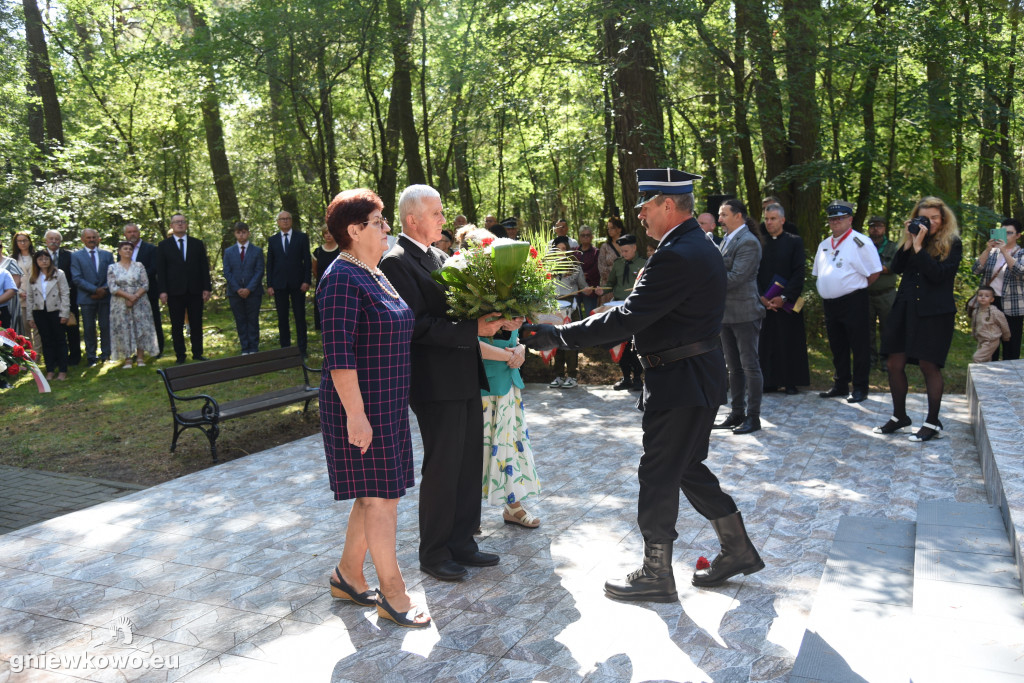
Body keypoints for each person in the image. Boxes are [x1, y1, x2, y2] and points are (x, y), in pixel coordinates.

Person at [522, 168, 763, 603]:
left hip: (681, 381)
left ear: (668, 206)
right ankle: (737, 548)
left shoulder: (678, 253)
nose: (640, 216)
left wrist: (560, 335)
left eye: (645, 207)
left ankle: (657, 573)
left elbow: (629, 317)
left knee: (658, 472)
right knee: (686, 465)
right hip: (694, 375)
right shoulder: (696, 244)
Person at [379, 184, 511, 582]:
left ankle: (462, 543)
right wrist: (473, 327)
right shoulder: (396, 262)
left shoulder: (439, 255)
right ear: (411, 219)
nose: (443, 219)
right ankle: (434, 552)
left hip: (464, 374)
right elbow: (414, 326)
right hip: (434, 381)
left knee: (469, 462)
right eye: (435, 213)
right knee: (443, 465)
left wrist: (502, 318)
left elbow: (463, 311)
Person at [319, 188, 428, 628]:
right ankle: (394, 594)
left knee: (374, 497)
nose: (387, 228)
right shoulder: (341, 278)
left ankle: (347, 575)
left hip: (387, 405)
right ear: (354, 230)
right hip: (360, 409)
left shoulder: (374, 272)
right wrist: (357, 416)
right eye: (379, 222)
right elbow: (339, 357)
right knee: (382, 501)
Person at [874, 196, 962, 442]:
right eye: (925, 218)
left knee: (928, 365)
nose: (930, 222)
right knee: (894, 363)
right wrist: (909, 239)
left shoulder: (952, 243)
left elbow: (937, 275)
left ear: (943, 220)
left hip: (935, 313)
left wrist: (920, 247)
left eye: (935, 218)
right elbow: (898, 267)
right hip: (905, 309)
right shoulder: (913, 239)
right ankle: (899, 416)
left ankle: (932, 422)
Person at [813, 200, 882, 403]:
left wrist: (853, 287)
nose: (835, 222)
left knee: (859, 345)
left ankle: (860, 387)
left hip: (854, 301)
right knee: (837, 346)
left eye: (840, 218)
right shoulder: (824, 244)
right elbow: (819, 273)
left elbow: (875, 272)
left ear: (850, 219)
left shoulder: (861, 242)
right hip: (830, 303)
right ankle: (840, 384)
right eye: (832, 219)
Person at [479, 325, 541, 528]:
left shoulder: (510, 298)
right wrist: (510, 356)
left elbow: (512, 336)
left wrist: (520, 348)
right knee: (478, 448)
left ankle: (513, 506)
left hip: (508, 382)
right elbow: (463, 339)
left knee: (510, 445)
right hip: (480, 384)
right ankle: (466, 516)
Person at [713, 199, 764, 435]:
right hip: (726, 314)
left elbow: (735, 277)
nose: (720, 220)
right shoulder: (727, 240)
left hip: (745, 313)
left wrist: (707, 277)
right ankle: (737, 413)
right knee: (733, 368)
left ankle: (753, 417)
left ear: (739, 216)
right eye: (719, 215)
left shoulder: (749, 242)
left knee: (750, 366)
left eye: (723, 215)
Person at [757, 203, 809, 395]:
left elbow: (799, 271)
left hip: (788, 301)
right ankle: (769, 381)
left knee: (789, 340)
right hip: (764, 302)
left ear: (782, 220)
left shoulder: (795, 241)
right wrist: (761, 296)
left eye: (773, 219)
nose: (769, 222)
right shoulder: (758, 242)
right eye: (766, 219)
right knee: (766, 341)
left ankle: (790, 381)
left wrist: (784, 296)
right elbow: (753, 271)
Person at [157, 214, 212, 364]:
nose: (180, 224)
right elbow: (161, 271)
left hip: (195, 290)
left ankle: (198, 353)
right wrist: (162, 291)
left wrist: (207, 288)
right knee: (176, 325)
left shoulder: (197, 243)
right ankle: (180, 355)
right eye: (176, 222)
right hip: (174, 292)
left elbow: (203, 267)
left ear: (186, 225)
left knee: (196, 323)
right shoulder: (163, 246)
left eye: (182, 222)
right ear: (171, 225)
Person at [598, 234, 646, 390]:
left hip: (636, 310)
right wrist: (601, 290)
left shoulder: (644, 264)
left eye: (626, 251)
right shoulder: (618, 264)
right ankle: (626, 377)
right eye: (621, 251)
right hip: (619, 309)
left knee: (636, 344)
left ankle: (637, 377)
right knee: (621, 344)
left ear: (634, 248)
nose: (623, 254)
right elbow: (611, 284)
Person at [972, 217, 1024, 360]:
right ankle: (989, 375)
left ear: (1018, 235)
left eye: (1009, 233)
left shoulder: (1021, 253)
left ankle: (1010, 377)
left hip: (1012, 305)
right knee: (989, 342)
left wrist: (1005, 252)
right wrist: (988, 249)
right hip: (990, 303)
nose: (1005, 236)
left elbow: (1019, 271)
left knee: (1011, 344)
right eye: (1003, 232)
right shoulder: (993, 253)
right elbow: (976, 270)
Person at [266, 211, 312, 356]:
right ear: (278, 222)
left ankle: (302, 348)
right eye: (282, 219)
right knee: (282, 317)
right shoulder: (272, 240)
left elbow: (307, 261)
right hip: (279, 284)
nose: (285, 221)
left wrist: (306, 281)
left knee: (300, 316)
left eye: (287, 219)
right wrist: (269, 284)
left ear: (291, 221)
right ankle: (285, 349)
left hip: (298, 284)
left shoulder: (302, 237)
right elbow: (270, 263)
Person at [107, 241, 159, 368]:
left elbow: (145, 284)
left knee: (140, 328)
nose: (128, 251)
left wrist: (135, 296)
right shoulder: (112, 267)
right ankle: (127, 359)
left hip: (140, 301)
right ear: (119, 252)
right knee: (124, 329)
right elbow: (112, 287)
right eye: (125, 249)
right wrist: (128, 296)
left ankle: (140, 357)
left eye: (130, 249)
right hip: (120, 302)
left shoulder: (139, 266)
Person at [549, 235, 592, 389]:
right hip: (554, 310)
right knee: (556, 342)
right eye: (557, 249)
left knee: (570, 342)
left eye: (563, 249)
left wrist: (588, 289)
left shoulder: (574, 266)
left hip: (570, 309)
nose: (560, 252)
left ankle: (572, 376)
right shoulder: (547, 266)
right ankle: (558, 375)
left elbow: (583, 286)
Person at [24, 250, 70, 381]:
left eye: (46, 258)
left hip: (56, 311)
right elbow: (30, 298)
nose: (44, 261)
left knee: (60, 340)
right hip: (39, 312)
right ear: (36, 262)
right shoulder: (33, 277)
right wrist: (30, 317)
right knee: (46, 341)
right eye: (40, 259)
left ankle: (62, 370)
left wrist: (64, 313)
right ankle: (50, 369)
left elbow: (65, 294)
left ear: (50, 260)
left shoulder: (58, 274)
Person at [70, 228, 114, 366]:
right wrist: (94, 290)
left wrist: (103, 290)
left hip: (105, 296)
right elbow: (76, 278)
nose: (91, 240)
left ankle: (106, 354)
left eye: (94, 237)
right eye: (88, 237)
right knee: (89, 328)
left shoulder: (107, 255)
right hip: (86, 298)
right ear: (83, 239)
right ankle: (91, 356)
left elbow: (112, 275)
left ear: (98, 238)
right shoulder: (76, 256)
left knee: (105, 326)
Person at [223, 222, 265, 355]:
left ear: (248, 233)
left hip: (253, 292)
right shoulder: (228, 252)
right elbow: (227, 272)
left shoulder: (257, 251)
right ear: (235, 234)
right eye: (238, 232)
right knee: (240, 320)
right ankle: (244, 347)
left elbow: (259, 271)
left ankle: (253, 347)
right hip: (235, 293)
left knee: (252, 319)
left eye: (244, 232)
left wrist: (249, 289)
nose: (241, 235)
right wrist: (237, 289)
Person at [125, 222, 165, 359]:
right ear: (125, 235)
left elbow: (154, 268)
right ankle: (138, 351)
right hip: (130, 293)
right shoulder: (123, 250)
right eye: (129, 232)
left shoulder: (151, 249)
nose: (132, 234)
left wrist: (136, 278)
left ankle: (157, 349)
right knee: (134, 323)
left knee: (153, 320)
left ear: (139, 233)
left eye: (134, 231)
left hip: (149, 291)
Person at [44, 230, 81, 366]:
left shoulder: (70, 256)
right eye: (51, 239)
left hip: (69, 296)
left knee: (72, 327)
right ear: (46, 241)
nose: (54, 241)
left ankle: (75, 357)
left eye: (56, 239)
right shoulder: (40, 256)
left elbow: (75, 275)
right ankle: (56, 358)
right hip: (48, 299)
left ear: (60, 241)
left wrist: (64, 289)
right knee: (53, 329)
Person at [866, 216, 898, 368]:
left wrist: (870, 269)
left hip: (887, 294)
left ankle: (886, 360)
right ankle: (870, 359)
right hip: (866, 294)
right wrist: (880, 268)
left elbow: (893, 267)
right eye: (873, 226)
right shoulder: (862, 245)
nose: (876, 229)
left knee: (888, 328)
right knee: (867, 329)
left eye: (879, 226)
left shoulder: (893, 247)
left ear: (884, 228)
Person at [971, 286, 1010, 363]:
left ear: (992, 299)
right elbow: (974, 324)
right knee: (986, 359)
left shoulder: (995, 312)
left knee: (977, 358)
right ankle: (988, 373)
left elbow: (1004, 324)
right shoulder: (976, 311)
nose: (983, 297)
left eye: (986, 296)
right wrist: (974, 334)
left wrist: (1006, 336)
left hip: (991, 340)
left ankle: (979, 374)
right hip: (981, 339)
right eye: (980, 295)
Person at [312, 224, 339, 332]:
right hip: (322, 288)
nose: (328, 235)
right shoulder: (317, 252)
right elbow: (315, 271)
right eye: (325, 233)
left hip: (337, 287)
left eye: (330, 233)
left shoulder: (341, 250)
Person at [11, 233, 36, 345]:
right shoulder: (12, 259)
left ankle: (38, 355)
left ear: (29, 241)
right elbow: (11, 278)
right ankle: (28, 354)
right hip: (20, 297)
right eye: (19, 241)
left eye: (24, 240)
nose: (22, 243)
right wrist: (20, 292)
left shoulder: (37, 256)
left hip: (36, 295)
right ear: (16, 243)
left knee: (37, 327)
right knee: (25, 328)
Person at [576, 225, 600, 315]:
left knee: (590, 314)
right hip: (576, 289)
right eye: (583, 235)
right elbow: (572, 267)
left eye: (588, 235)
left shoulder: (596, 252)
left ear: (591, 237)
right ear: (579, 237)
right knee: (577, 315)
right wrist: (579, 277)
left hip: (590, 288)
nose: (585, 237)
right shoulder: (574, 252)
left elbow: (597, 268)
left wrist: (584, 276)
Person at [598, 217, 626, 285]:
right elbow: (602, 268)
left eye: (612, 228)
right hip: (609, 285)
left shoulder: (627, 245)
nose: (609, 230)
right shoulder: (605, 247)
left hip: (625, 283)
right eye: (608, 228)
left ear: (620, 229)